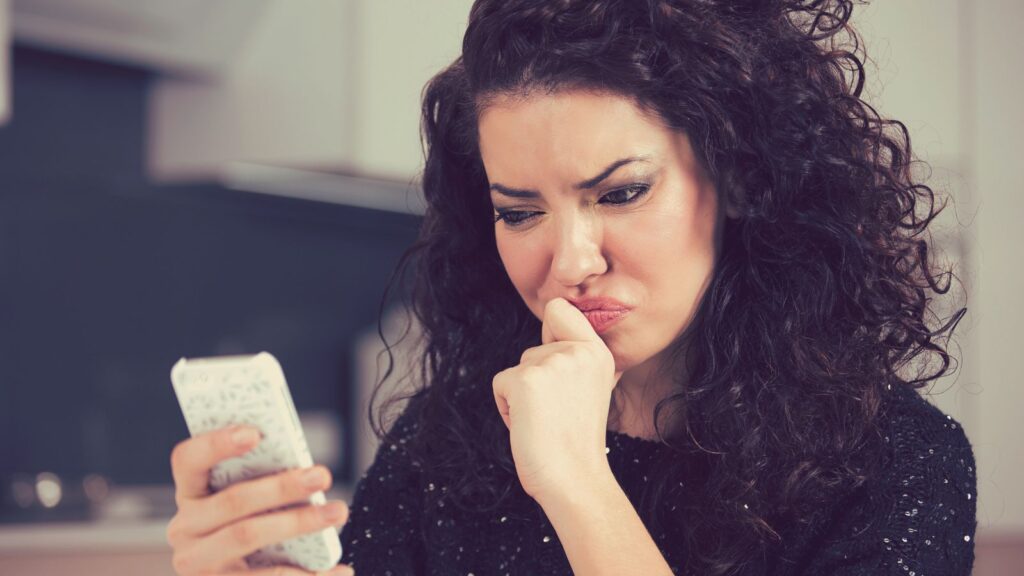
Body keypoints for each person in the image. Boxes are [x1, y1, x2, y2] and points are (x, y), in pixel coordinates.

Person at [167, 1, 977, 575]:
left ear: (737, 177)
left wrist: (578, 484)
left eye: (620, 193)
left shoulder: (898, 465)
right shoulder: (442, 444)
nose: (568, 263)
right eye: (520, 213)